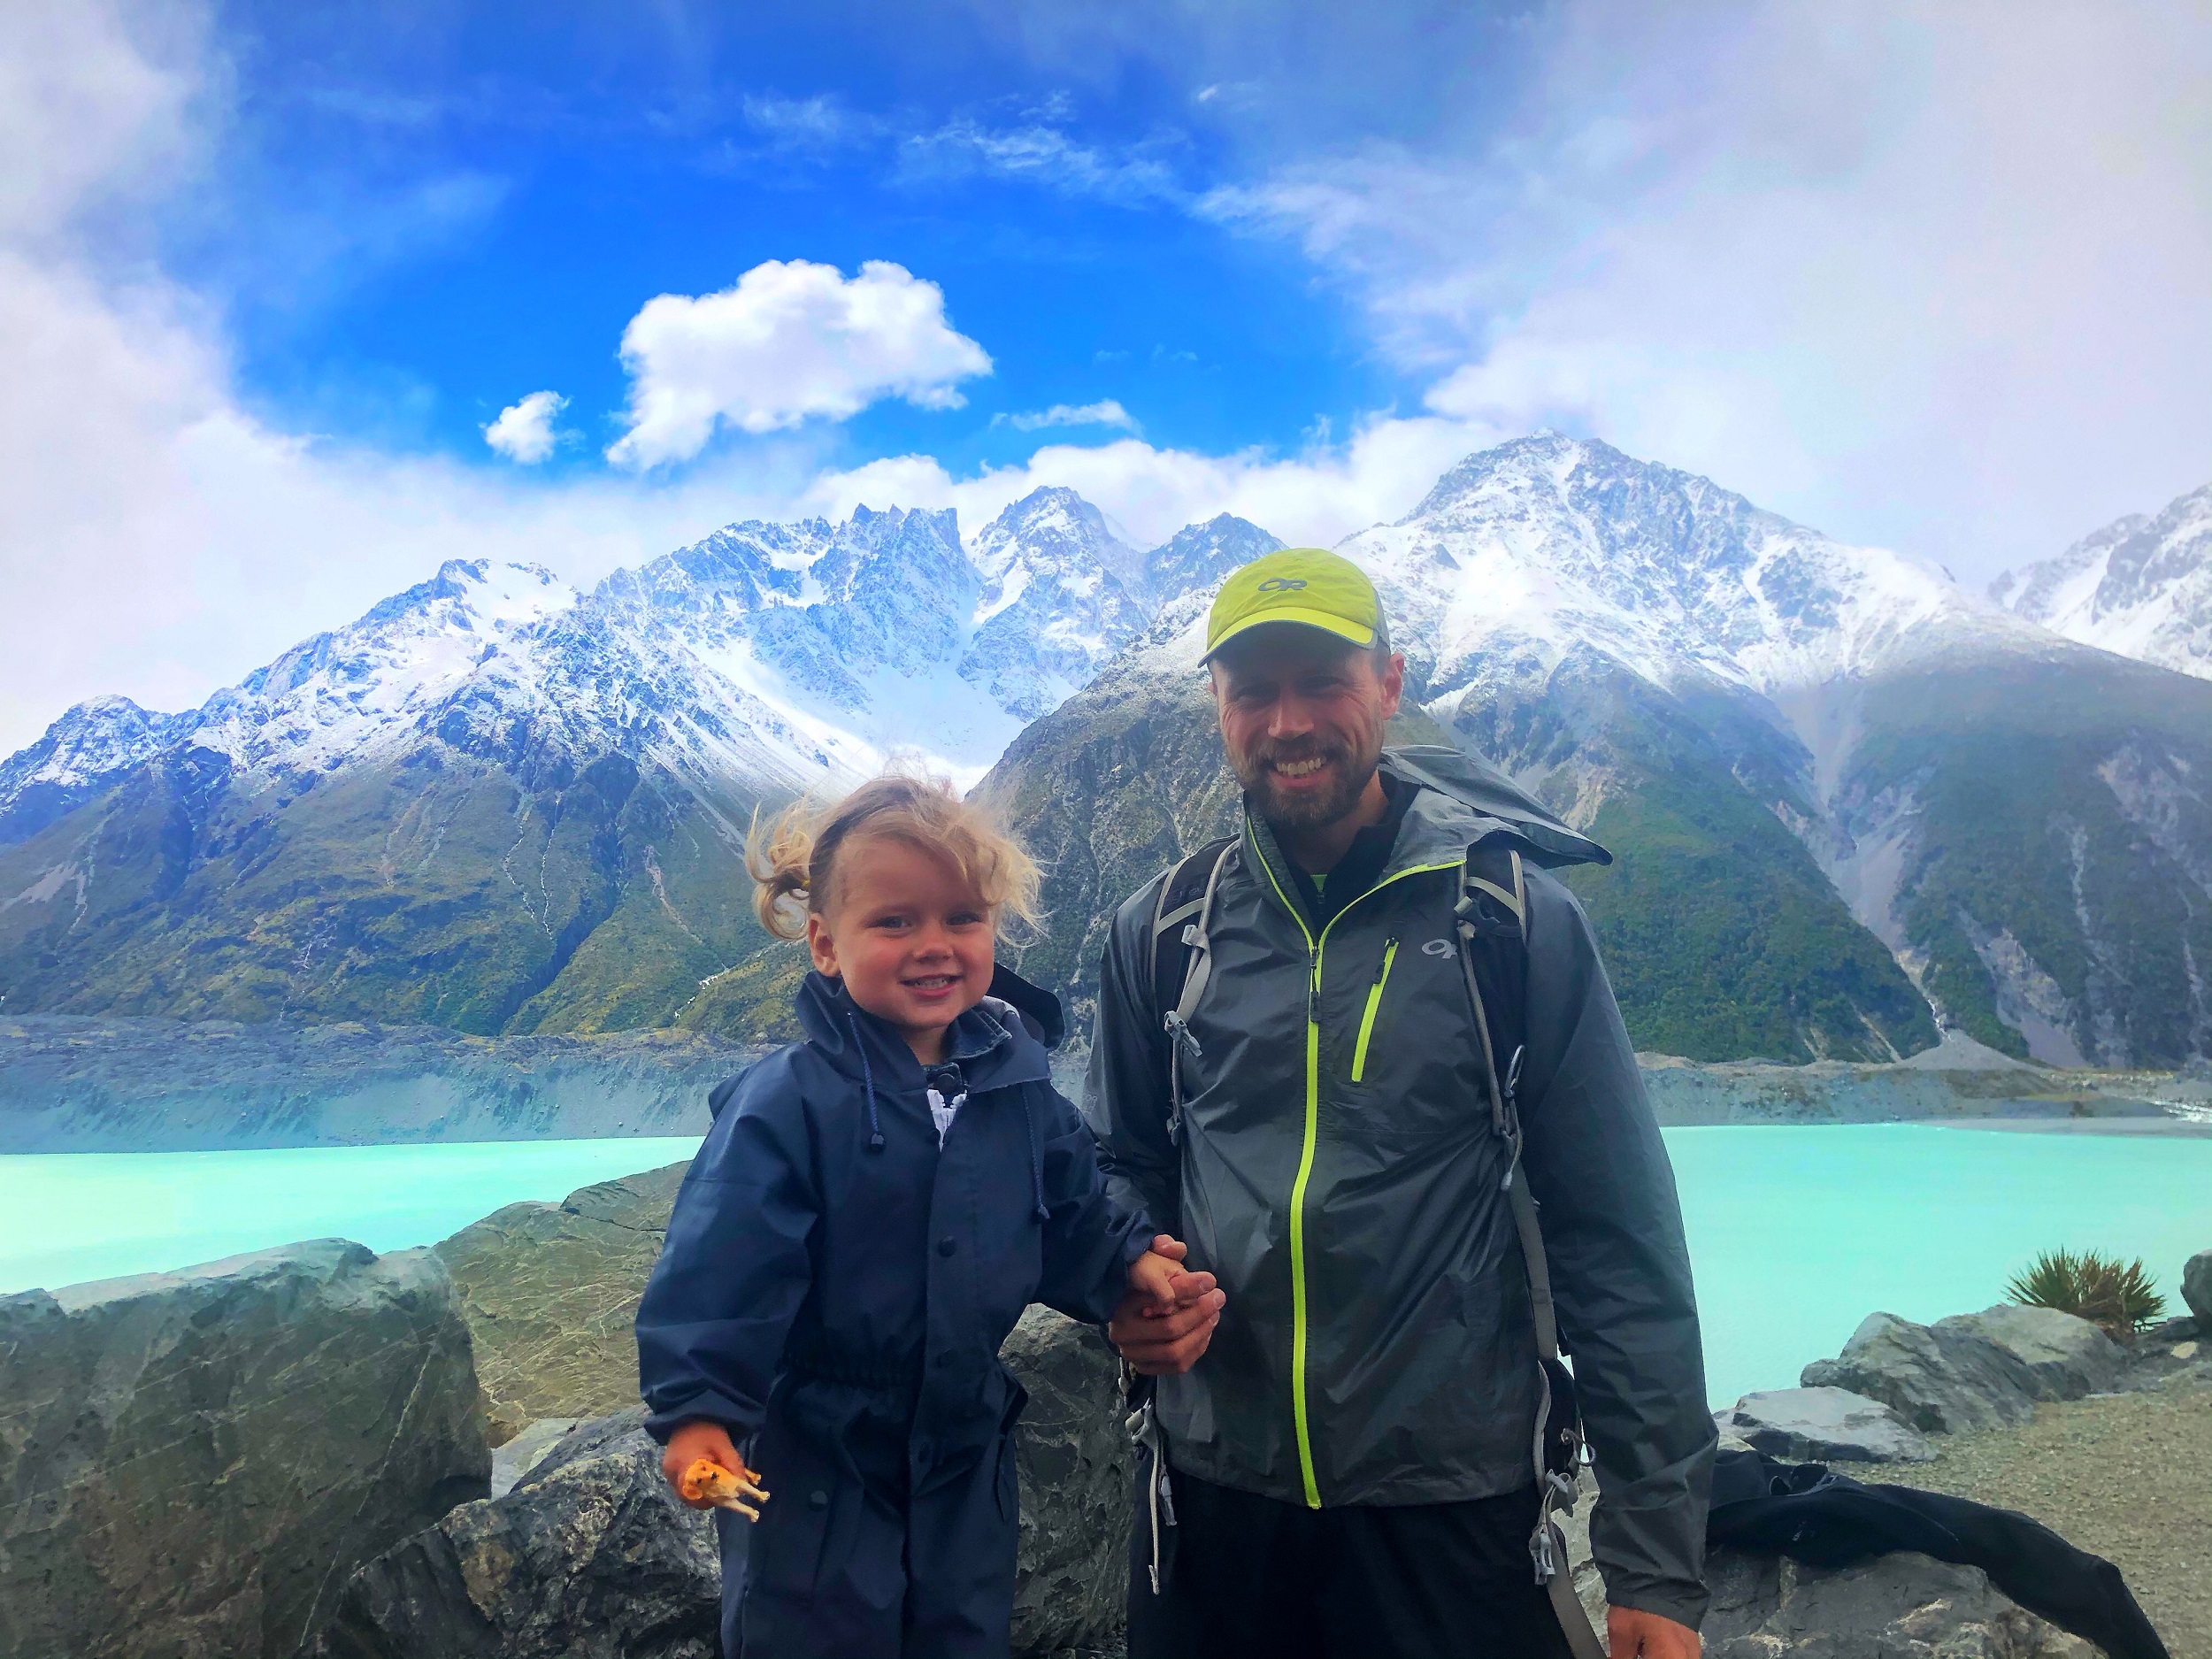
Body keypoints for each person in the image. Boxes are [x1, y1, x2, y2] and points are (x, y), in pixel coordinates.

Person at [1085, 549, 1716, 1659]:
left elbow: (1615, 1240)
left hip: (1452, 1509)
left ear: (1390, 683)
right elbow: (1113, 1167)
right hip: (1213, 1504)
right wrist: (1124, 1277)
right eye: (1253, 692)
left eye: (1322, 681)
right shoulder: (1160, 931)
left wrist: (1655, 1562)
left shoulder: (1510, 922)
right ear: (1218, 711)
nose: (1288, 723)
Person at [635, 774, 1224, 1658]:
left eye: (961, 918)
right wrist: (697, 1415)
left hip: (962, 1450)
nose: (934, 946)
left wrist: (1129, 1262)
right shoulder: (786, 1104)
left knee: (961, 1631)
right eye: (895, 922)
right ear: (826, 946)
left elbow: (1069, 1209)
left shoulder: (1019, 1089)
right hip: (820, 1462)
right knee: (812, 1633)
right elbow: (721, 1266)